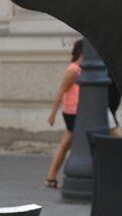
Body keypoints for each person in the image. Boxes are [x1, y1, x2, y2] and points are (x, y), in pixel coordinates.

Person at [45, 39, 83, 189]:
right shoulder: (73, 70)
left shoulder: (79, 69)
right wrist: (52, 114)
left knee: (65, 145)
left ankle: (51, 178)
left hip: (76, 111)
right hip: (72, 112)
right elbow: (62, 90)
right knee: (66, 145)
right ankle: (50, 177)